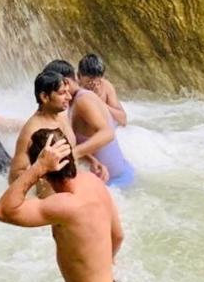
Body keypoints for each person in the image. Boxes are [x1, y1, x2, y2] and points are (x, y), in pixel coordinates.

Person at [0, 129, 127, 282]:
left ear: (45, 171)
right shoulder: (93, 182)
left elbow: (2, 210)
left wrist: (36, 169)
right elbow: (118, 236)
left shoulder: (63, 205)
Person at [46, 59, 135, 188]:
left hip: (116, 183)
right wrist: (89, 159)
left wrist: (75, 153)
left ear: (66, 82)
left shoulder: (83, 100)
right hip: (112, 175)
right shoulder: (75, 101)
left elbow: (108, 133)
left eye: (53, 88)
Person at [10, 69, 106, 184]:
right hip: (52, 196)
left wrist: (91, 160)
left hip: (73, 186)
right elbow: (14, 177)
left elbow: (68, 148)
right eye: (62, 93)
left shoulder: (62, 116)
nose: (69, 97)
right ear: (44, 97)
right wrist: (43, 174)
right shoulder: (32, 131)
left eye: (68, 91)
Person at [77, 53, 127, 126]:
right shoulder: (73, 88)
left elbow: (122, 120)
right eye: (89, 80)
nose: (93, 83)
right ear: (79, 76)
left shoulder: (106, 87)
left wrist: (99, 103)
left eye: (97, 79)